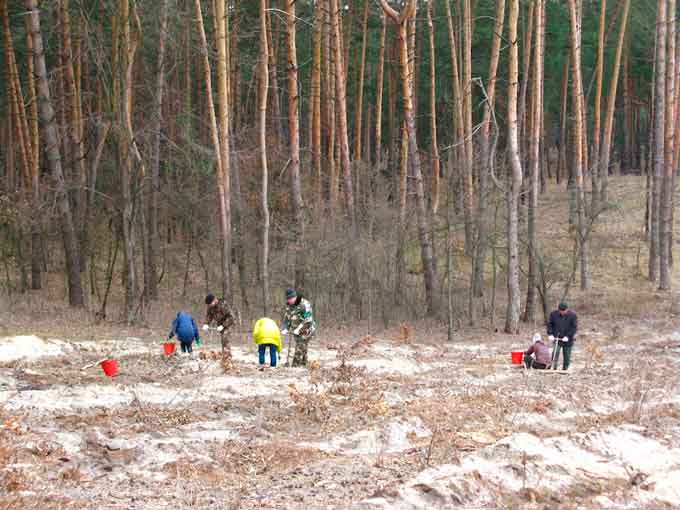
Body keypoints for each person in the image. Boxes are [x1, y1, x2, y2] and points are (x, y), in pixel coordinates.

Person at [281, 288, 316, 367]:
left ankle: (295, 366)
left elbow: (308, 320)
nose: (290, 300)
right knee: (302, 348)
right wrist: (285, 328)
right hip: (296, 331)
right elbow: (287, 318)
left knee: (300, 347)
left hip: (307, 330)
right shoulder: (289, 306)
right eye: (288, 299)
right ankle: (304, 364)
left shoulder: (304, 304)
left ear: (295, 296)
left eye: (291, 298)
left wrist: (298, 329)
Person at [547, 301, 578, 370]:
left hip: (568, 339)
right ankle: (553, 367)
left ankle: (565, 368)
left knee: (567, 355)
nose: (562, 312)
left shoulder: (573, 315)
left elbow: (574, 327)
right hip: (557, 337)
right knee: (555, 352)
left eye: (564, 311)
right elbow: (550, 324)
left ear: (567, 309)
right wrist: (550, 334)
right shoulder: (553, 314)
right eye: (560, 311)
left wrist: (568, 336)